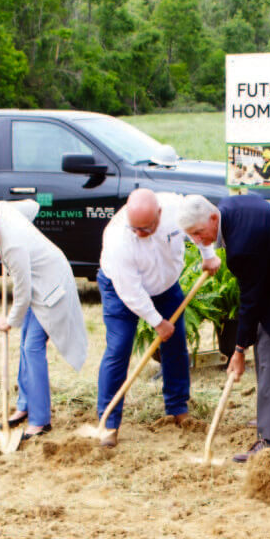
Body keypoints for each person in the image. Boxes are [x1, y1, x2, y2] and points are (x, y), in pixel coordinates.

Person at [177, 193, 270, 462]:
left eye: (199, 233)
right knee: (269, 339)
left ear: (213, 218)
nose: (198, 241)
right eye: (192, 237)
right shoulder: (230, 207)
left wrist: (238, 349)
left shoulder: (241, 246)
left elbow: (250, 300)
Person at [96, 188, 220, 448]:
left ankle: (177, 407)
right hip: (121, 290)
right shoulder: (118, 239)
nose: (139, 234)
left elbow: (197, 226)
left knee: (176, 346)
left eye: (146, 228)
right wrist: (157, 321)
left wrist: (208, 256)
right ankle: (109, 422)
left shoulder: (176, 208)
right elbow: (130, 291)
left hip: (166, 286)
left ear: (160, 214)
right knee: (119, 349)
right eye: (135, 229)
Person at [0, 199, 87, 440]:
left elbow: (23, 293)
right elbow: (33, 206)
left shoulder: (12, 246)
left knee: (31, 347)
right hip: (37, 282)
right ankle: (25, 405)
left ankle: (40, 421)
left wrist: (10, 320)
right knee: (26, 343)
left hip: (50, 286)